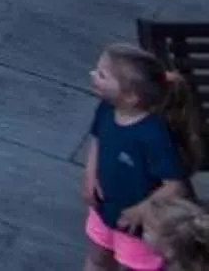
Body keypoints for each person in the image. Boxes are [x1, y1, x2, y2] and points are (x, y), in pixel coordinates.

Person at [83, 42, 195, 271]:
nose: (93, 75)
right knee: (97, 260)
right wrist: (90, 174)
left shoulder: (153, 135)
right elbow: (98, 138)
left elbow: (175, 186)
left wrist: (141, 210)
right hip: (105, 210)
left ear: (130, 96)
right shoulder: (106, 109)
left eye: (102, 75)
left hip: (139, 228)